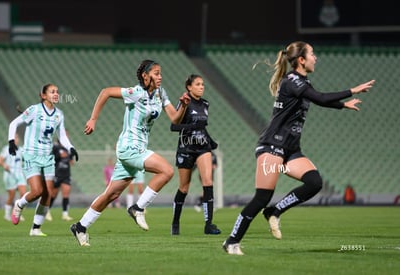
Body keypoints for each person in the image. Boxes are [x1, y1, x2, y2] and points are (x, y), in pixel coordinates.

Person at [222, 41, 375, 255]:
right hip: (272, 147)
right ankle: (231, 241)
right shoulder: (293, 81)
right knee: (261, 197)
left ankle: (275, 211)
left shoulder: (301, 81)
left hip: (290, 150)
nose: (315, 57)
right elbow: (320, 98)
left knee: (314, 182)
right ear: (301, 60)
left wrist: (343, 105)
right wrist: (351, 91)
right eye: (312, 53)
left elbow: (317, 97)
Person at [70, 59, 190, 246]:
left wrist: (183, 105)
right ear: (145, 76)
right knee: (167, 171)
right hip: (129, 147)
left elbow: (175, 119)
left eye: (160, 73)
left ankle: (81, 226)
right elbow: (106, 92)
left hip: (137, 149)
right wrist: (93, 119)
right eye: (156, 73)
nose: (160, 77)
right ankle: (138, 208)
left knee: (111, 194)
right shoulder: (136, 93)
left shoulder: (160, 93)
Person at [8, 83, 79, 236]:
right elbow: (14, 123)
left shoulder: (59, 114)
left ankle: (35, 229)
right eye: (52, 92)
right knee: (37, 191)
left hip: (48, 158)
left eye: (57, 92)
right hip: (31, 155)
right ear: (43, 95)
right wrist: (11, 141)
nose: (56, 94)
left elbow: (61, 136)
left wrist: (71, 148)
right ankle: (19, 204)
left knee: (48, 193)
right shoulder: (34, 110)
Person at [170, 74, 221, 235]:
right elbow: (174, 126)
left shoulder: (205, 104)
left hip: (202, 148)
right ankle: (176, 222)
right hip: (186, 148)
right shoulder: (185, 102)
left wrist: (210, 141)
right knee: (184, 188)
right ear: (189, 87)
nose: (201, 87)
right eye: (198, 84)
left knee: (208, 181)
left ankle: (209, 224)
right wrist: (192, 127)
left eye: (203, 84)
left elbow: (202, 127)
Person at [0, 133, 27, 222]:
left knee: (23, 193)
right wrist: (4, 165)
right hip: (10, 174)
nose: (16, 140)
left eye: (17, 138)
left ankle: (18, 213)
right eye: (15, 138)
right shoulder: (6, 149)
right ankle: (7, 215)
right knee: (12, 195)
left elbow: (26, 159)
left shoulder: (21, 150)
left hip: (20, 173)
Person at [46, 134, 75, 221]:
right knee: (53, 194)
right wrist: (59, 156)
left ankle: (65, 214)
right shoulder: (55, 147)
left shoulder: (69, 148)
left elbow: (71, 161)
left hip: (66, 174)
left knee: (66, 193)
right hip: (56, 173)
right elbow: (51, 157)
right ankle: (47, 211)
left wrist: (70, 159)